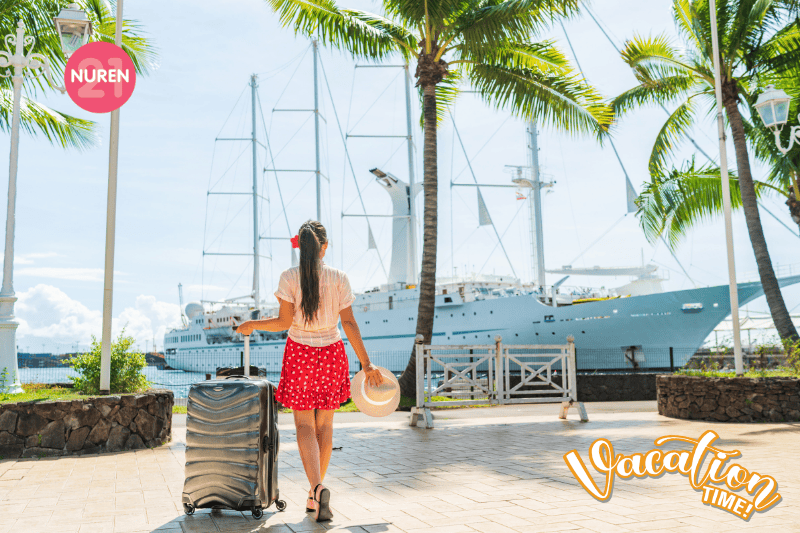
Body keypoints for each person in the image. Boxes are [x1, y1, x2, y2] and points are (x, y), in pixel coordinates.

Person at [236, 220, 384, 522]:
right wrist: (366, 365)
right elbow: (350, 324)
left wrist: (252, 324)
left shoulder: (289, 277)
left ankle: (316, 489)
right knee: (324, 427)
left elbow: (283, 323)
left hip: (300, 355)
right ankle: (315, 493)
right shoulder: (339, 277)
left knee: (303, 425)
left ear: (300, 247)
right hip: (332, 354)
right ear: (324, 247)